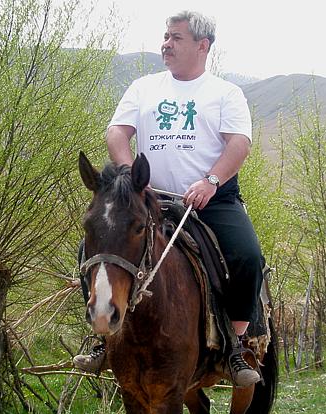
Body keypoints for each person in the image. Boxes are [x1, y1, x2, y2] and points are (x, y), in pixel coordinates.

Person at [74, 10, 262, 387]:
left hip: (212, 199)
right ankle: (101, 335)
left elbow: (239, 144)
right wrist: (132, 179)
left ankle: (236, 346)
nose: (166, 43)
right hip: (150, 199)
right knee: (93, 247)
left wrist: (211, 181)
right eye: (165, 36)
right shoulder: (144, 88)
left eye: (176, 37)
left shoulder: (225, 93)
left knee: (247, 256)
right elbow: (116, 134)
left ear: (202, 45)